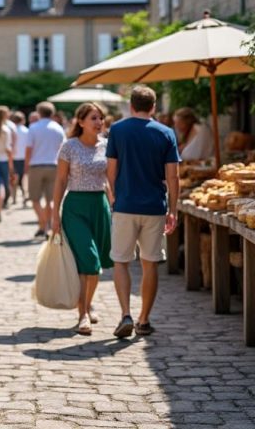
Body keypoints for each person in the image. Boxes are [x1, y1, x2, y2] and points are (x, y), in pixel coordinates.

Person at [107, 86, 180, 337]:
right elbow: (173, 176)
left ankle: (125, 314)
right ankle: (144, 319)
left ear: (131, 105)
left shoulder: (117, 130)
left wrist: (115, 197)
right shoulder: (166, 133)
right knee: (150, 264)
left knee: (120, 261)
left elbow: (111, 171)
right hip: (154, 207)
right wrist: (173, 209)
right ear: (154, 106)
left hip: (125, 205)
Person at [52, 102, 113, 335]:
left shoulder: (107, 146)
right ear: (81, 122)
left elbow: (109, 179)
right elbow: (60, 181)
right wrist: (54, 215)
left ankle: (87, 304)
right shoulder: (69, 147)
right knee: (89, 259)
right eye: (94, 118)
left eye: (101, 118)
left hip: (99, 206)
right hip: (75, 206)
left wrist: (114, 203)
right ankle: (83, 314)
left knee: (96, 265)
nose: (99, 122)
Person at [25, 102, 67, 238]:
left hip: (36, 165)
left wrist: (26, 166)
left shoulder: (33, 127)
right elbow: (63, 149)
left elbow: (28, 149)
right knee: (51, 199)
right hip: (54, 166)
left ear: (39, 112)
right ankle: (46, 225)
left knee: (34, 198)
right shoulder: (59, 128)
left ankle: (43, 223)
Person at [11, 111, 29, 205]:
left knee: (14, 179)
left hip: (13, 158)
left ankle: (14, 198)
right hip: (24, 158)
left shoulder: (11, 130)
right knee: (23, 179)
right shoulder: (27, 130)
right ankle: (24, 197)